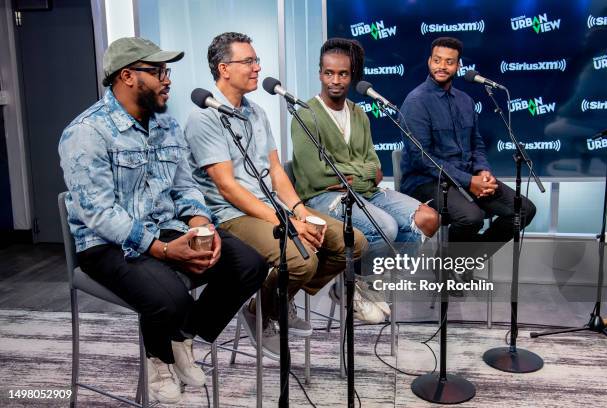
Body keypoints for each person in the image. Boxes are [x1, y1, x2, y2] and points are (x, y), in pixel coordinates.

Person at [58, 37, 268, 405]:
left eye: (165, 71)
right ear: (126, 76)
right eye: (157, 72)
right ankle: (160, 360)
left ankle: (182, 340)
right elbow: (99, 213)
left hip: (165, 227)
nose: (167, 79)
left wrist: (202, 226)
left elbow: (185, 186)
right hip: (106, 243)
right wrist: (163, 249)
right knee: (170, 297)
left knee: (249, 264)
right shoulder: (86, 133)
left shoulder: (166, 127)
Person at [184, 32, 367, 359]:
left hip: (272, 207)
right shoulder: (204, 116)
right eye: (249, 61)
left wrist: (299, 212)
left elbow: (276, 171)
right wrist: (290, 226)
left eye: (257, 60)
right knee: (301, 260)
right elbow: (228, 188)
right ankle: (261, 312)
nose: (257, 68)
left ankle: (276, 300)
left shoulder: (256, 112)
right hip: (232, 215)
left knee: (353, 242)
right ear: (224, 69)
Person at [290, 38, 439, 318]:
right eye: (328, 73)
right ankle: (355, 286)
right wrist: (362, 174)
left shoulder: (359, 114)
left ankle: (365, 283)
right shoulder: (305, 116)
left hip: (365, 193)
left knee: (428, 219)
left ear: (352, 75)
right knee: (386, 227)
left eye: (343, 74)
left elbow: (375, 166)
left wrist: (352, 174)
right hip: (322, 198)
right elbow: (319, 176)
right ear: (320, 73)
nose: (335, 80)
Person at [399, 36, 536, 260]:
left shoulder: (466, 101)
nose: (442, 66)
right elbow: (422, 159)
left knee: (524, 210)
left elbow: (477, 144)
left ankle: (467, 259)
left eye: (449, 62)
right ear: (429, 62)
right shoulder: (416, 102)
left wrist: (483, 172)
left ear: (458, 66)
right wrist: (469, 181)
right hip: (426, 182)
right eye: (437, 60)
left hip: (467, 176)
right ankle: (448, 266)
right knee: (470, 217)